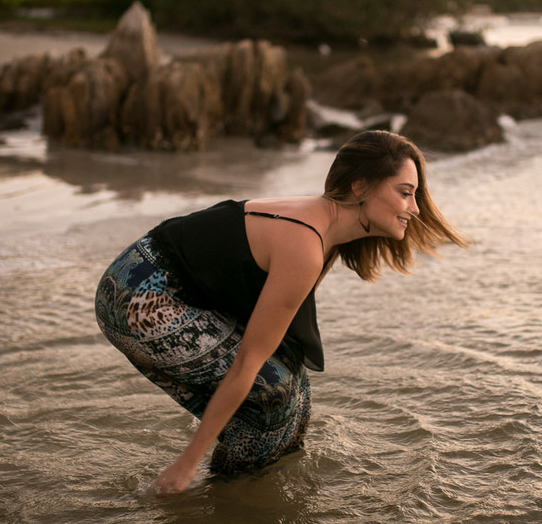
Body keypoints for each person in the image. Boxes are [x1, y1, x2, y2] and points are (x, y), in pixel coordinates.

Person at [95, 131, 467, 494]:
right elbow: (247, 363)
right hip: (137, 293)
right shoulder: (306, 243)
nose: (415, 209)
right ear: (361, 187)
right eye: (405, 193)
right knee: (274, 392)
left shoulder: (328, 229)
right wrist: (187, 462)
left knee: (296, 390)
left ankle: (250, 492)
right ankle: (221, 496)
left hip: (174, 286)